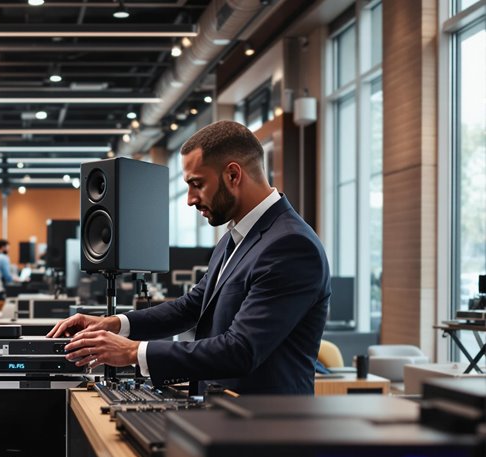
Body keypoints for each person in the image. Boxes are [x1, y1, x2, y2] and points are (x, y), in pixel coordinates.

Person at [51, 120, 330, 395]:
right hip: (224, 417)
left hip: (265, 428)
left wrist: (134, 352)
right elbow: (191, 307)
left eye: (197, 184)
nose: (190, 199)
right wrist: (115, 324)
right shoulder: (235, 238)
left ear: (233, 175)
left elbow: (241, 350)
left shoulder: (291, 245)